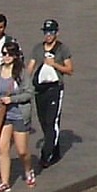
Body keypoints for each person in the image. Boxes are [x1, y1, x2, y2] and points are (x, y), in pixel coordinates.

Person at [0, 40, 36, 192]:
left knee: (22, 150)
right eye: (4, 54)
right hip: (3, 114)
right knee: (2, 148)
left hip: (19, 113)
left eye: (9, 54)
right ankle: (5, 181)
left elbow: (29, 93)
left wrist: (12, 99)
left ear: (15, 56)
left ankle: (28, 170)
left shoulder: (21, 72)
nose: (6, 57)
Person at [32, 19, 72, 168]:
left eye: (51, 32)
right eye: (46, 32)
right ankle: (55, 149)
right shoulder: (38, 48)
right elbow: (31, 66)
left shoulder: (62, 49)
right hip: (40, 90)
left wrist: (54, 64)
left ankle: (45, 155)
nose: (48, 35)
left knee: (52, 122)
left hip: (55, 89)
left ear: (56, 33)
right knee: (43, 121)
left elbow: (69, 70)